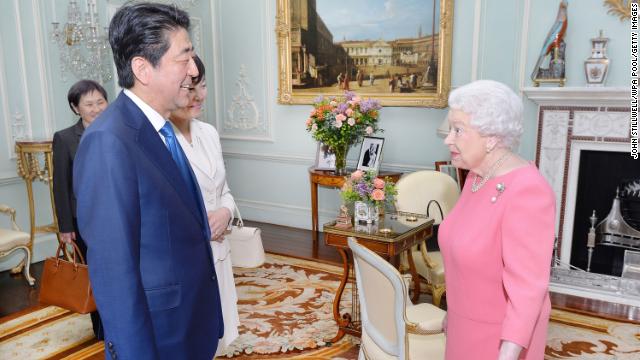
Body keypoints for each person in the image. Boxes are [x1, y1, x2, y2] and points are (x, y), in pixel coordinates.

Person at [73, 3, 223, 359]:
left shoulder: (158, 129)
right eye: (183, 57)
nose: (193, 70)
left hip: (187, 325)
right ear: (142, 68)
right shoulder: (109, 141)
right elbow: (114, 270)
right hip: (157, 337)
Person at [439, 80, 555, 360]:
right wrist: (452, 316)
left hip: (500, 340)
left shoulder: (528, 190)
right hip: (464, 326)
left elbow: (528, 288)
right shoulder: (477, 176)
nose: (448, 139)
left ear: (491, 137)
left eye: (458, 130)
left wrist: (508, 353)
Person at [169, 55, 239, 355]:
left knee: (217, 335)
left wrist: (226, 212)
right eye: (189, 87)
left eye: (203, 85)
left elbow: (224, 190)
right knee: (191, 337)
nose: (197, 96)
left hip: (220, 252)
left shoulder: (208, 133)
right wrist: (203, 224)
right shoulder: (162, 140)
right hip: (188, 257)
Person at [52, 79, 108, 340]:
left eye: (100, 102)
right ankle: (101, 328)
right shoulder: (64, 139)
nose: (96, 108)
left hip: (115, 216)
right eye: (89, 104)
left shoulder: (117, 131)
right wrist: (65, 227)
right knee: (95, 275)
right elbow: (60, 186)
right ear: (76, 108)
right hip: (83, 220)